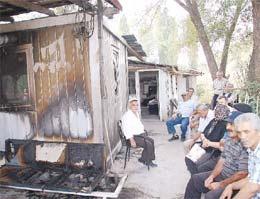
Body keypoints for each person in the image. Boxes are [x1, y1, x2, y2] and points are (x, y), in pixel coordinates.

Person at [184, 111, 248, 199]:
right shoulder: (229, 139)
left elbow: (242, 174)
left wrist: (221, 184)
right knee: (195, 180)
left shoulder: (246, 144)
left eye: (232, 124)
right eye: (228, 123)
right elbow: (222, 160)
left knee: (210, 196)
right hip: (222, 175)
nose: (227, 127)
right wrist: (212, 176)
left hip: (234, 182)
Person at [220, 113, 260, 199]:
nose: (242, 137)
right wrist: (231, 186)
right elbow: (251, 179)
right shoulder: (252, 150)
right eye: (239, 132)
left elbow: (252, 188)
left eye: (246, 132)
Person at [185, 104, 230, 175]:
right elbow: (203, 132)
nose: (215, 112)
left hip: (212, 150)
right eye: (215, 111)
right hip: (204, 144)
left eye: (217, 111)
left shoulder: (226, 125)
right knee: (188, 159)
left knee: (196, 163)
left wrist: (208, 143)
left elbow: (221, 144)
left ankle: (195, 178)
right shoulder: (214, 120)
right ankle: (194, 176)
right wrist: (204, 139)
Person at [121, 96, 157, 167]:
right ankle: (148, 161)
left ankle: (143, 159)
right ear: (130, 106)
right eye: (133, 105)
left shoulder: (135, 113)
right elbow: (126, 129)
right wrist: (132, 140)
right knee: (148, 144)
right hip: (133, 137)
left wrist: (143, 131)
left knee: (151, 141)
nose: (136, 107)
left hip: (140, 135)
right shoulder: (127, 116)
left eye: (137, 105)